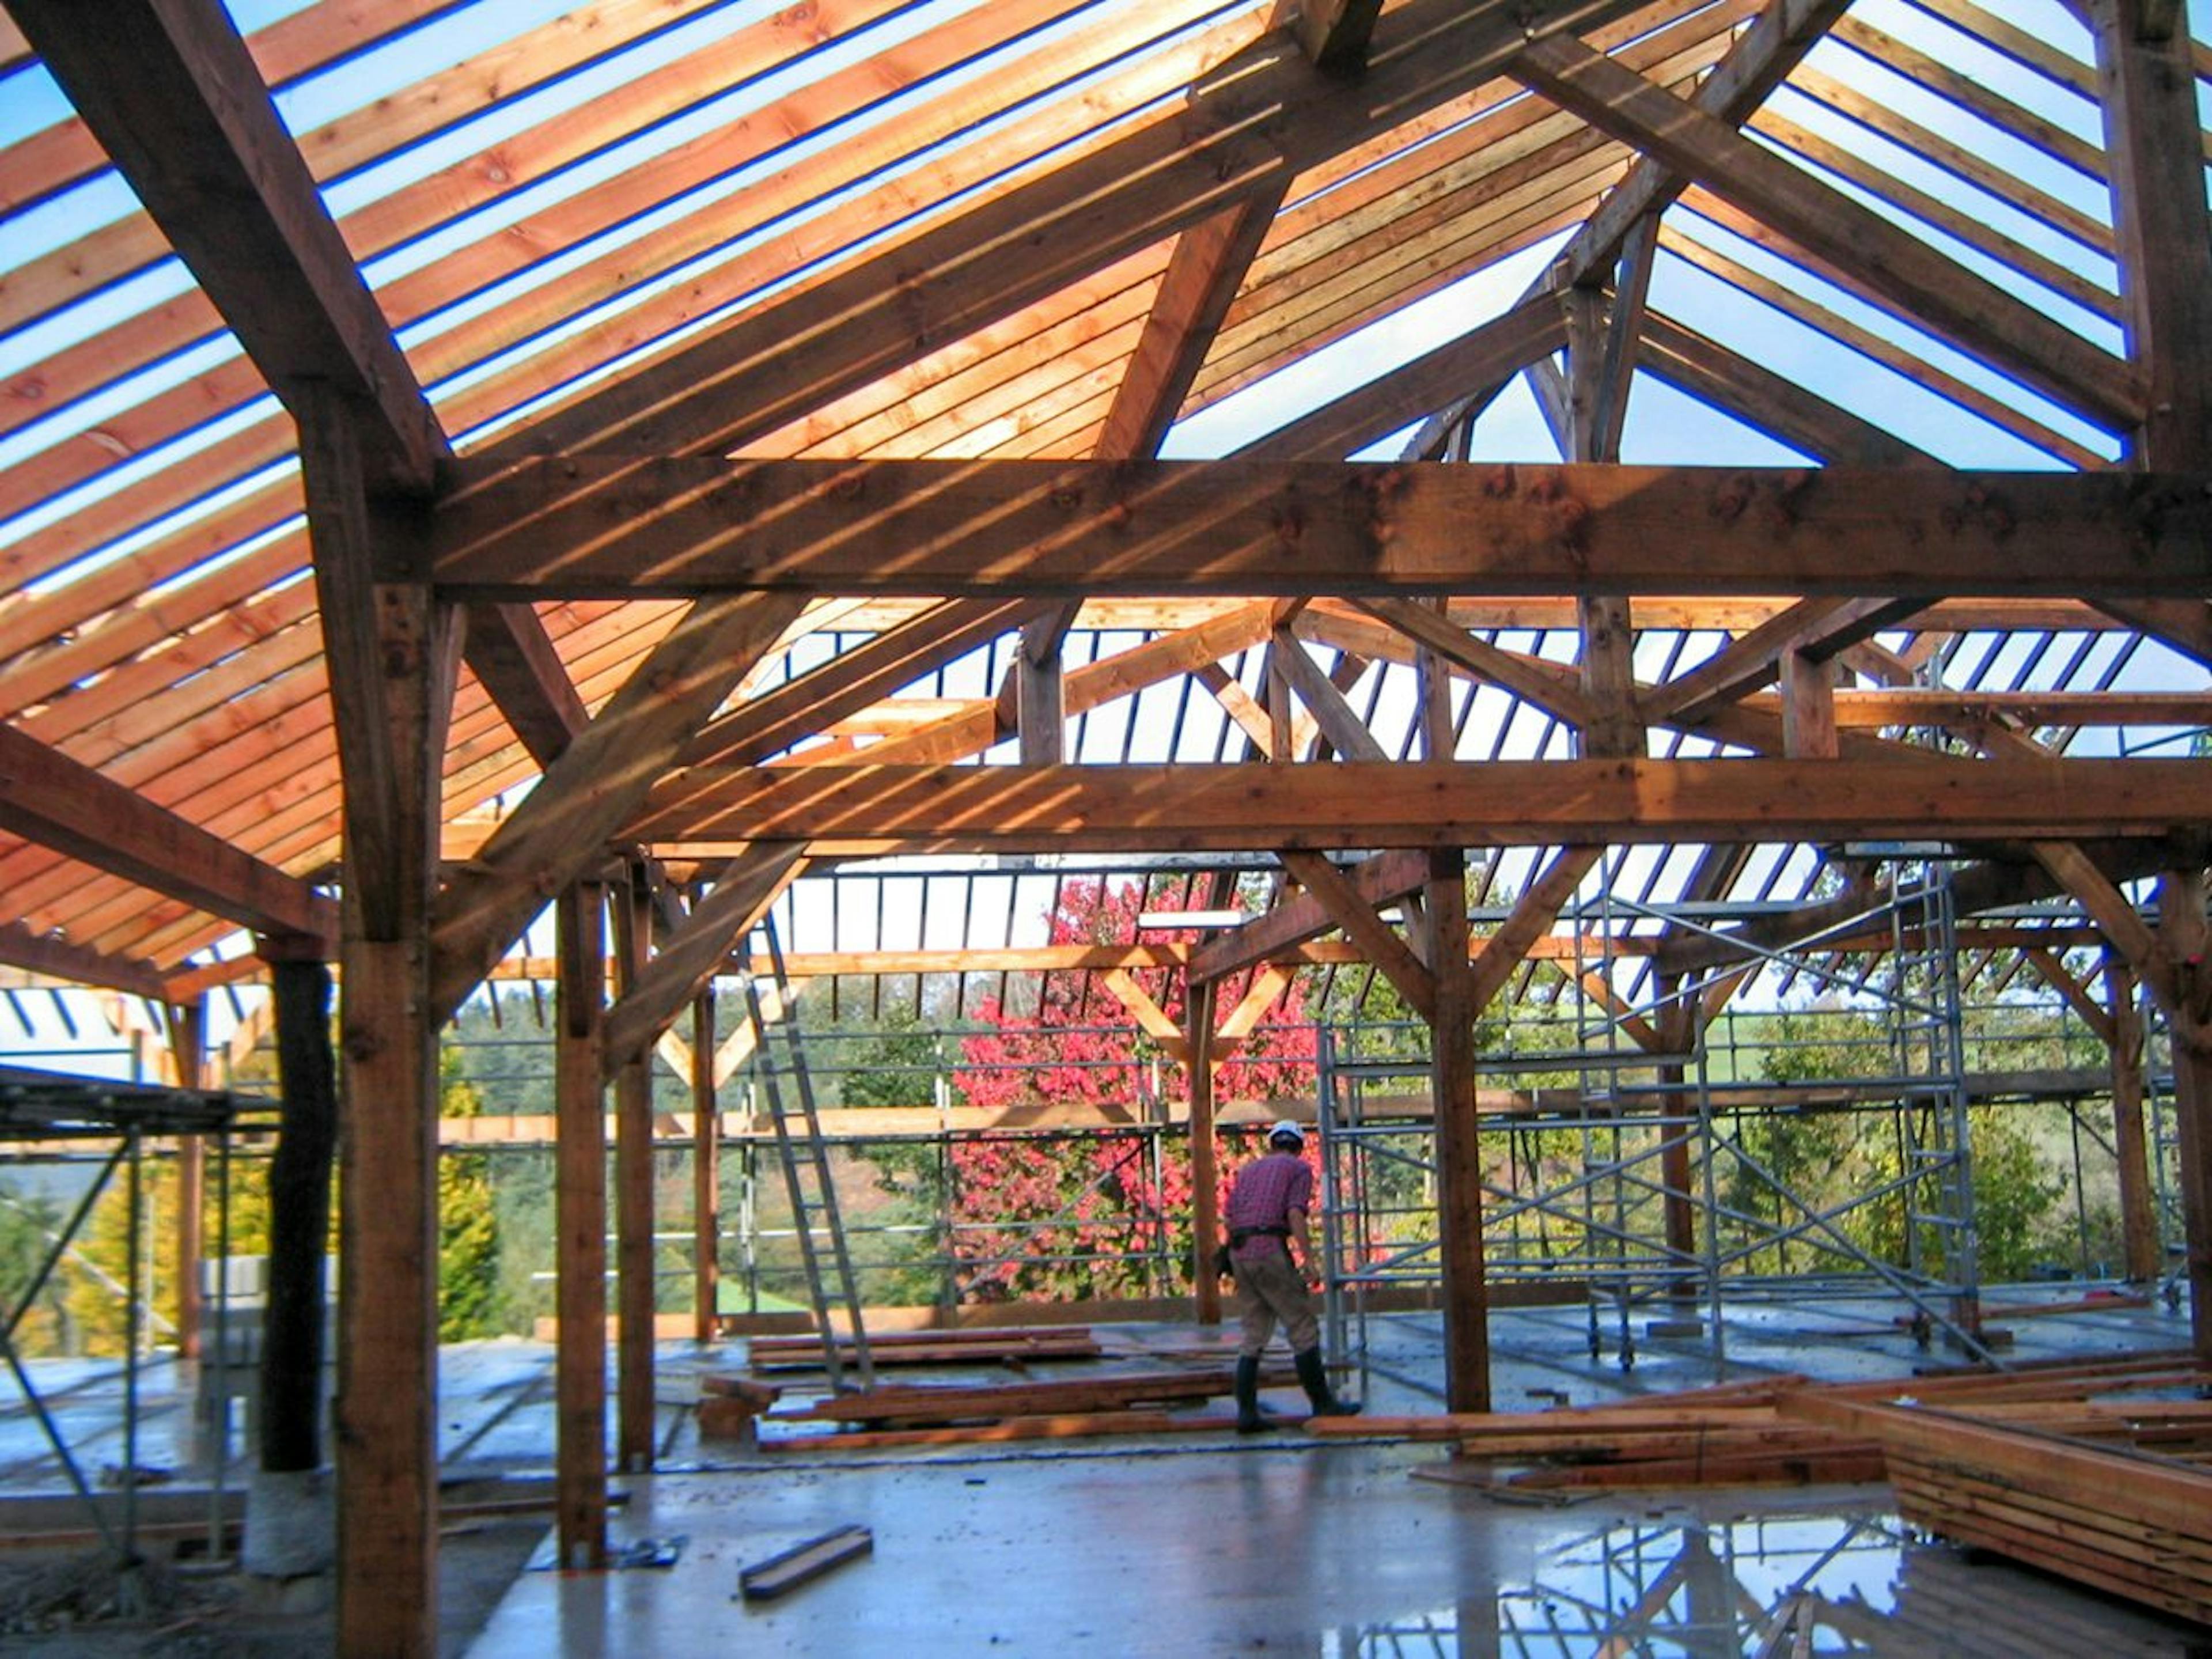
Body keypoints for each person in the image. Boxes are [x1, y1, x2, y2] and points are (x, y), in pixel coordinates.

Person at [1219, 1119, 1361, 1432]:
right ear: (1298, 1147)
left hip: (1240, 1252)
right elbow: (1295, 1213)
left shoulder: (1249, 1170)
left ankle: (1246, 1414)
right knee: (1302, 1327)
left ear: (1272, 1144)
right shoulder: (1298, 1169)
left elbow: (1229, 1218)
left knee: (1254, 1333)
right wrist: (1308, 1259)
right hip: (1269, 1248)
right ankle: (1323, 1404)